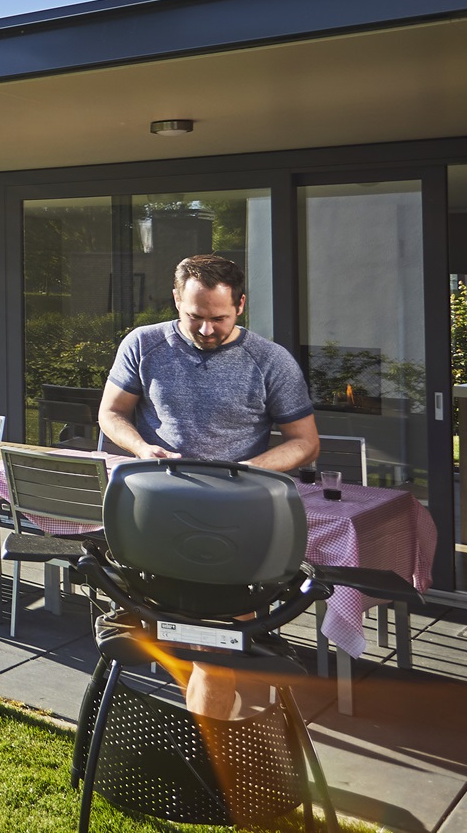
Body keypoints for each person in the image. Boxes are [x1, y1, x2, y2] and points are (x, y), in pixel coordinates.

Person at [98, 253, 320, 720]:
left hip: (235, 526)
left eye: (218, 318)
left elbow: (304, 443)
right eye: (194, 316)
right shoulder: (144, 344)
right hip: (155, 517)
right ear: (177, 299)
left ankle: (210, 750)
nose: (205, 329)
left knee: (215, 654)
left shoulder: (270, 361)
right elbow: (112, 413)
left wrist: (249, 470)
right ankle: (215, 740)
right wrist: (141, 449)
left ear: (240, 305)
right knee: (195, 649)